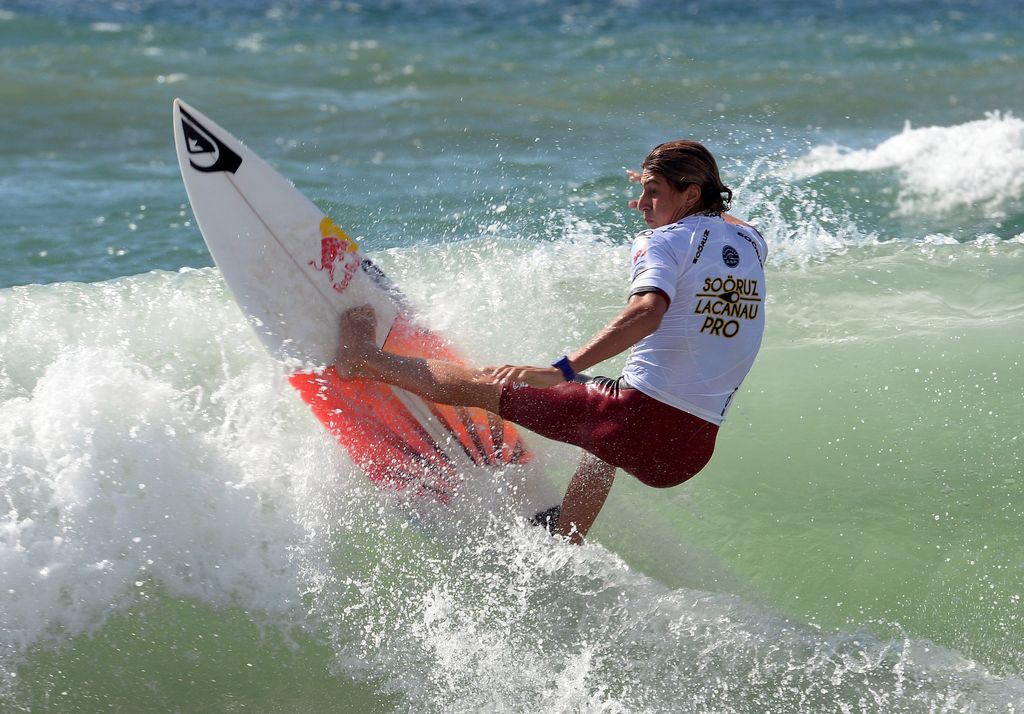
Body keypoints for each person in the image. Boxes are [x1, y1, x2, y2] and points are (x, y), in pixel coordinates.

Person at [335, 140, 767, 544]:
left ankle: (362, 359)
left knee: (486, 383)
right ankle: (567, 536)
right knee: (603, 432)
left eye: (654, 193)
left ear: (690, 196)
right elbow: (721, 218)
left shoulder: (662, 241)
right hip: (687, 451)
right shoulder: (750, 241)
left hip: (633, 421)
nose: (641, 206)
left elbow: (647, 311)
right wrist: (677, 192)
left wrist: (558, 369)